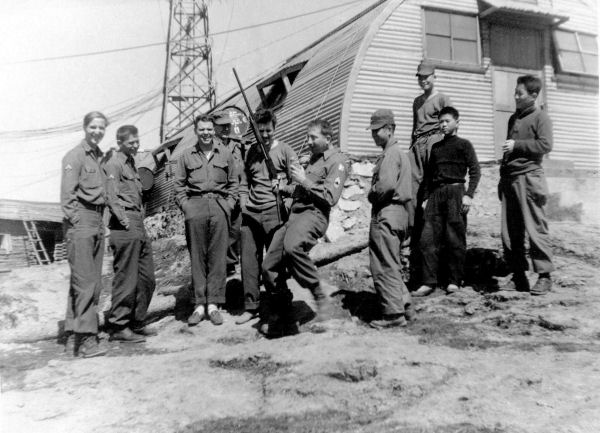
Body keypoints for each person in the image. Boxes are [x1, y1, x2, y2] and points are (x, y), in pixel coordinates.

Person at [261, 119, 348, 337]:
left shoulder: (337, 162)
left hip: (314, 215)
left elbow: (329, 197)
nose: (307, 142)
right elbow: (301, 189)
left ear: (328, 139)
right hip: (295, 215)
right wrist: (284, 188)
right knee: (269, 265)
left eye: (313, 137)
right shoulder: (314, 160)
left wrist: (303, 180)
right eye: (307, 137)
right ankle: (285, 313)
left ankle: (319, 295)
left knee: (292, 247)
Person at [174, 114, 239, 326]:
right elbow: (178, 187)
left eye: (209, 129)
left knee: (218, 257)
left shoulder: (226, 154)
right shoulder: (186, 156)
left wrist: (228, 206)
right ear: (196, 131)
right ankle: (199, 305)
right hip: (196, 207)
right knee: (198, 257)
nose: (206, 133)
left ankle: (214, 305)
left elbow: (233, 184)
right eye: (202, 129)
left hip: (220, 207)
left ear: (214, 130)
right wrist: (187, 208)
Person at [236, 109, 298, 325]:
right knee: (249, 262)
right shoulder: (251, 151)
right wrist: (244, 203)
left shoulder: (286, 151)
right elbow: (244, 182)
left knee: (274, 265)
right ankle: (251, 306)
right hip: (251, 214)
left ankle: (279, 305)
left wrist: (285, 193)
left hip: (275, 212)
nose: (265, 134)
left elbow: (296, 183)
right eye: (260, 131)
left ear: (275, 128)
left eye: (268, 130)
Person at [414, 106, 481, 297]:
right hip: (436, 194)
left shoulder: (464, 145)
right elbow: (428, 176)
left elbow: (475, 171)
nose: (443, 125)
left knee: (455, 239)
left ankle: (454, 280)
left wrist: (469, 194)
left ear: (457, 123)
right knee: (428, 239)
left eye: (447, 121)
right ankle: (428, 282)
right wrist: (426, 197)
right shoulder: (436, 148)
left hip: (456, 192)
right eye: (441, 122)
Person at [499, 75, 554, 295]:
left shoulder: (541, 117)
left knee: (535, 227)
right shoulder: (513, 118)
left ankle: (544, 275)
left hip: (530, 178)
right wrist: (502, 180)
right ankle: (518, 275)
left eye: (519, 93)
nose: (515, 96)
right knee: (510, 231)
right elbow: (507, 152)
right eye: (515, 92)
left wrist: (517, 145)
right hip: (510, 179)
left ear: (533, 95)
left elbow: (546, 144)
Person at [61, 111, 109, 358]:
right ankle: (88, 339)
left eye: (101, 128)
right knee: (86, 282)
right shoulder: (75, 156)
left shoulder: (98, 158)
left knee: (84, 282)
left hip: (96, 221)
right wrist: (79, 222)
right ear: (84, 127)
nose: (97, 132)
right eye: (93, 127)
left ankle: (72, 335)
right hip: (81, 222)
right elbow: (67, 198)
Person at [103, 125, 156, 342]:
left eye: (137, 141)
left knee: (147, 278)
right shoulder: (114, 163)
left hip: (138, 222)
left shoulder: (132, 163)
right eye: (131, 143)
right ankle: (118, 326)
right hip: (124, 225)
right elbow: (110, 195)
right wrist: (124, 220)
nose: (136, 145)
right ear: (120, 142)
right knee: (127, 279)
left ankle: (136, 321)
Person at [366, 109, 413, 328]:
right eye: (372, 131)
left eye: (377, 131)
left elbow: (386, 186)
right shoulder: (400, 153)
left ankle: (393, 314)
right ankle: (403, 304)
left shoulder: (390, 154)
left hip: (387, 211)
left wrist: (371, 193)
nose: (374, 135)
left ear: (390, 129)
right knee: (393, 262)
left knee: (383, 263)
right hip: (400, 213)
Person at [408, 61, 452, 289]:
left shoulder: (442, 99)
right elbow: (414, 128)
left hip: (435, 141)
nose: (423, 80)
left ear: (434, 76)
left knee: (434, 186)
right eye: (420, 77)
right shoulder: (417, 101)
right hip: (418, 144)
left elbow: (449, 126)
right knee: (414, 188)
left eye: (427, 77)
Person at [213, 110, 244, 276]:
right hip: (220, 198)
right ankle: (222, 269)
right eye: (221, 126)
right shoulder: (209, 147)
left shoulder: (237, 145)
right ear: (214, 127)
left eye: (227, 125)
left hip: (237, 196)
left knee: (235, 231)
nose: (225, 128)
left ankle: (232, 266)